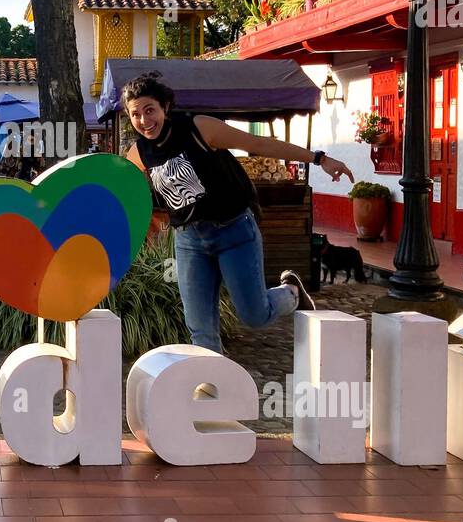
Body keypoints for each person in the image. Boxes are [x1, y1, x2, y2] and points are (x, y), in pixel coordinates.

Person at [122, 71, 354, 352]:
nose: (145, 121)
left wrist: (319, 159)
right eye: (136, 114)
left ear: (165, 107)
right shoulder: (138, 154)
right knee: (200, 330)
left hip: (233, 230)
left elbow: (259, 144)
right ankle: (213, 389)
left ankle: (291, 293)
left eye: (150, 110)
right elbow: (123, 194)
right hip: (189, 241)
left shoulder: (198, 128)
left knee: (255, 316)